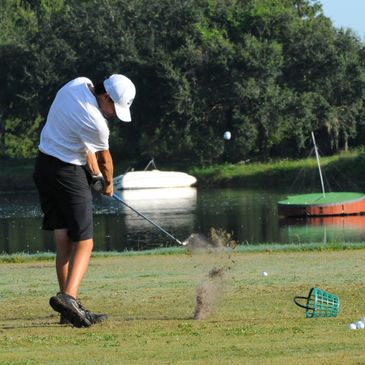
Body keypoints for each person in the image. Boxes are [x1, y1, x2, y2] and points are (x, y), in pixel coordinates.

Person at [33, 74, 136, 327]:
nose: (113, 114)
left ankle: (67, 311)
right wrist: (108, 185)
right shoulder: (98, 123)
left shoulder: (76, 84)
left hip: (43, 166)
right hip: (67, 173)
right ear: (106, 97)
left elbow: (83, 146)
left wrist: (95, 177)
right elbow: (105, 160)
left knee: (64, 239)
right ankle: (68, 298)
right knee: (85, 242)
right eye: (114, 108)